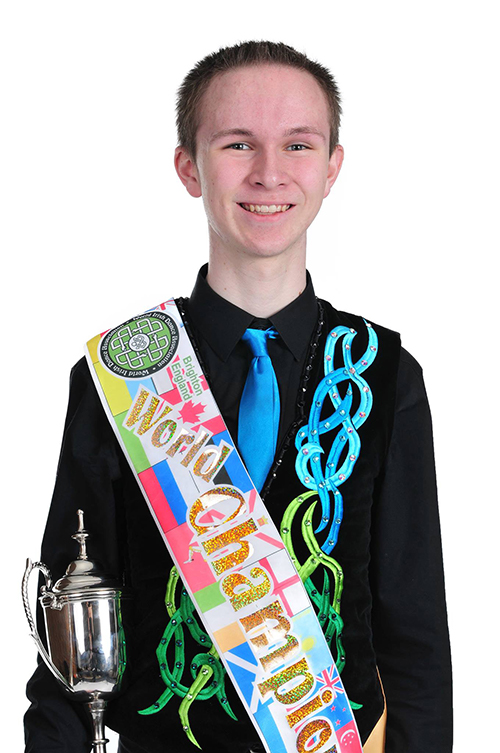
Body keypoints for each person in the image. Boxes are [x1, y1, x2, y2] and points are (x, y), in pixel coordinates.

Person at [24, 41, 453, 753]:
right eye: (236, 143)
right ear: (189, 167)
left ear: (332, 167)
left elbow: (415, 642)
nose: (269, 172)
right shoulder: (119, 375)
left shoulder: (383, 375)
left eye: (297, 144)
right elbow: (73, 629)